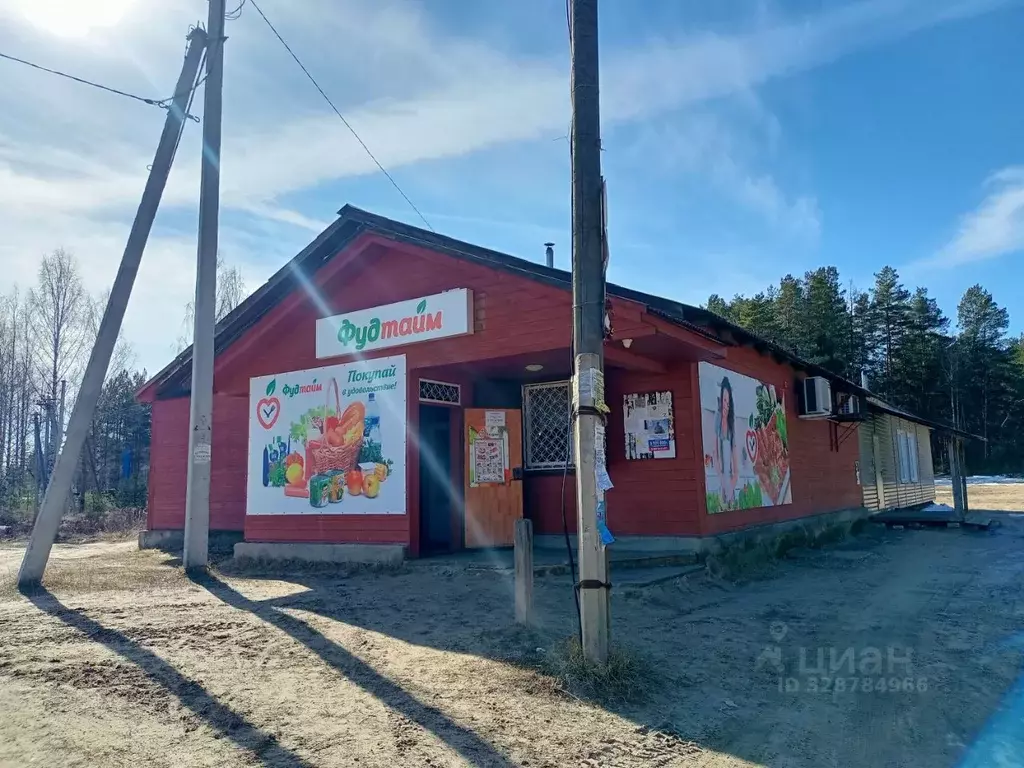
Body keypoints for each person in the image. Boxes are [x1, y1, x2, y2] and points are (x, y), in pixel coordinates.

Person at [714, 376, 740, 509]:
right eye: (724, 400)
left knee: (730, 505)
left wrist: (731, 486)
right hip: (720, 478)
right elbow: (715, 456)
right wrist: (723, 483)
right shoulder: (717, 420)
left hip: (729, 481)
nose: (726, 406)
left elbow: (736, 469)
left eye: (728, 403)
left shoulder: (732, 427)